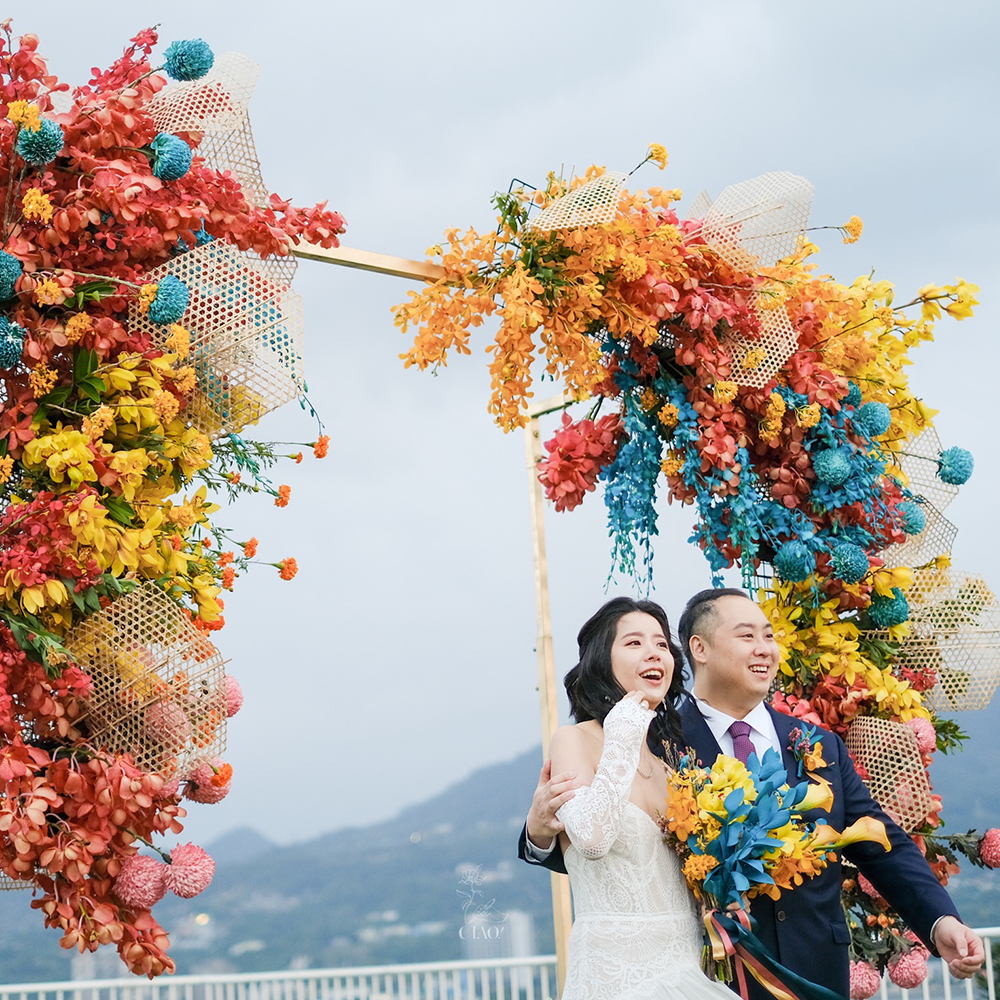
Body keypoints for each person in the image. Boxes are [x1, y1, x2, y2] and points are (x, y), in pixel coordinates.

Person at [520, 589, 985, 999]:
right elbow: (615, 848)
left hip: (812, 972)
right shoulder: (662, 742)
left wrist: (940, 921)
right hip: (712, 974)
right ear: (699, 649)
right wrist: (538, 837)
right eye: (747, 636)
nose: (765, 648)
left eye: (769, 636)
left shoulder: (819, 745)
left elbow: (883, 845)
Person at [541, 595, 745, 1000]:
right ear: (603, 661)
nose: (654, 653)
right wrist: (621, 733)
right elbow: (592, 838)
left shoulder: (671, 763)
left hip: (687, 972)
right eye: (634, 643)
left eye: (661, 644)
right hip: (615, 977)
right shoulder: (574, 740)